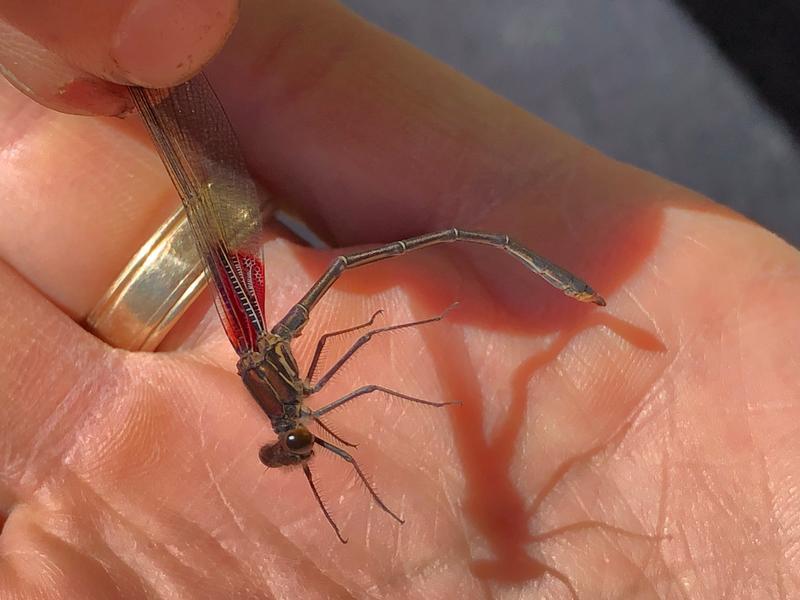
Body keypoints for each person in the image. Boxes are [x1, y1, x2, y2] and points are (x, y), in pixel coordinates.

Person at [1, 1, 797, 598]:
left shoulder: (281, 386)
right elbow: (350, 373)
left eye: (293, 446)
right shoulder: (290, 402)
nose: (300, 445)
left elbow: (346, 364)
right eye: (298, 449)